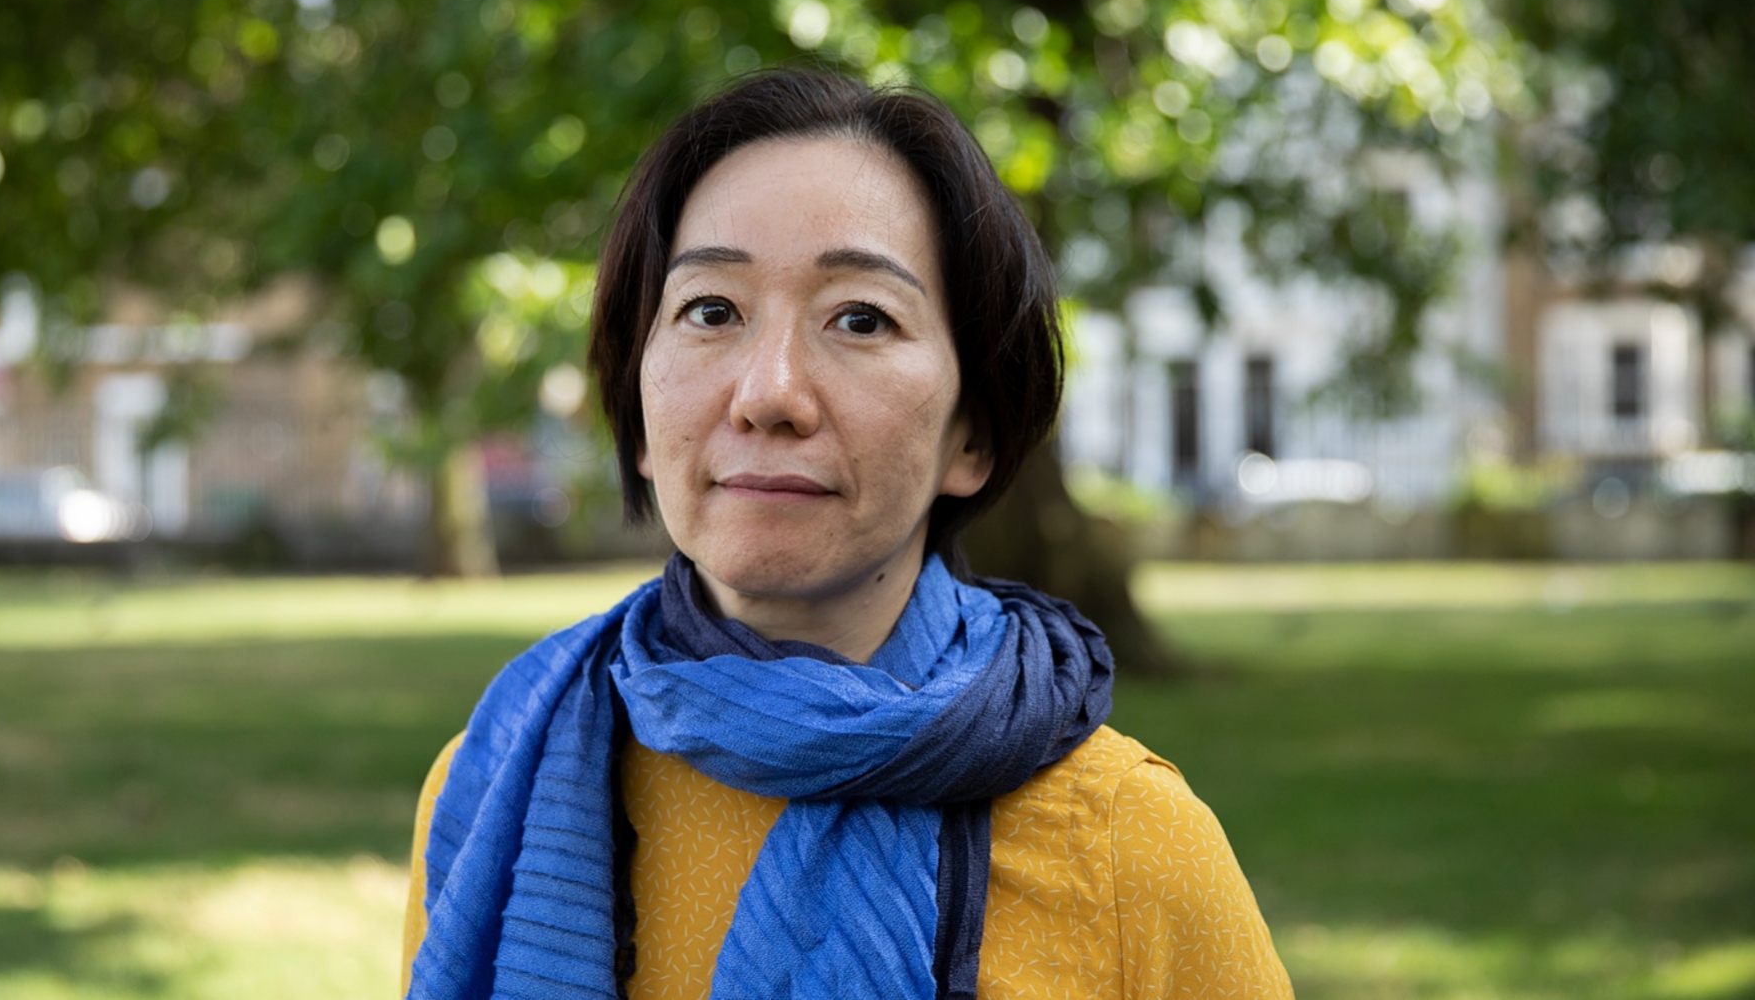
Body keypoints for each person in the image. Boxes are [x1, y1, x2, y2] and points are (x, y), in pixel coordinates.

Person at [401, 70, 1292, 1000]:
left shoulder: (1130, 848)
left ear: (973, 433)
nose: (768, 394)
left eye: (860, 318)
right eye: (711, 310)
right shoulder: (490, 783)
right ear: (637, 391)